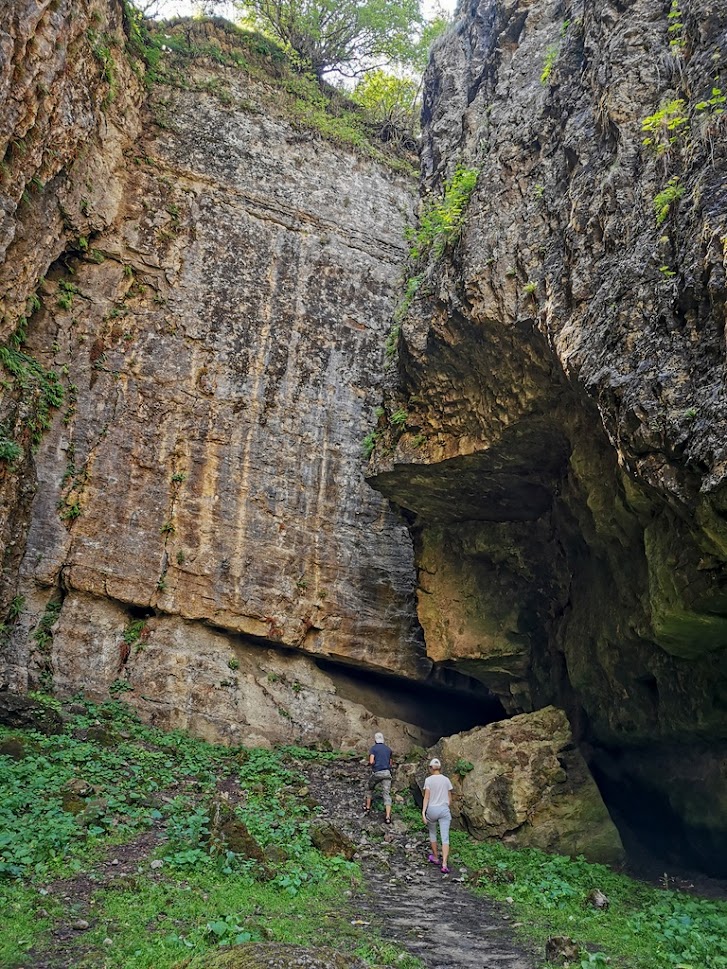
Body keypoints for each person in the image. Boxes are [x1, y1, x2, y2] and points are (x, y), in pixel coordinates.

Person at [422, 757, 453, 873]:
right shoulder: (446, 780)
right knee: (445, 837)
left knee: (433, 833)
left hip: (432, 810)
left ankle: (435, 857)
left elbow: (427, 797)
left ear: (431, 768)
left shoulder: (428, 780)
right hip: (444, 809)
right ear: (440, 768)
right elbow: (450, 799)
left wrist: (423, 812)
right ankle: (444, 864)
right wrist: (445, 806)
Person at [364, 731, 393, 823]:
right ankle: (388, 817)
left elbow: (371, 761)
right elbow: (390, 763)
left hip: (377, 773)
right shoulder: (388, 750)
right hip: (387, 773)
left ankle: (368, 807)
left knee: (369, 788)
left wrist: (371, 764)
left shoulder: (373, 749)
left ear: (375, 740)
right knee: (386, 794)